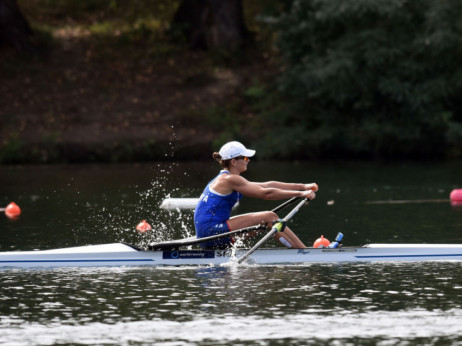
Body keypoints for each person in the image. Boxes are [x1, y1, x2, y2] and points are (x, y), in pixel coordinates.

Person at [194, 141, 317, 249]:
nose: (249, 160)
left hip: (208, 234)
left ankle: (301, 250)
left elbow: (267, 185)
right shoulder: (229, 179)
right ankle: (305, 251)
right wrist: (301, 194)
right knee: (270, 217)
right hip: (211, 232)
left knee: (268, 223)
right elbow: (266, 193)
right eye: (246, 158)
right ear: (233, 161)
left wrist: (302, 186)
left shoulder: (227, 179)